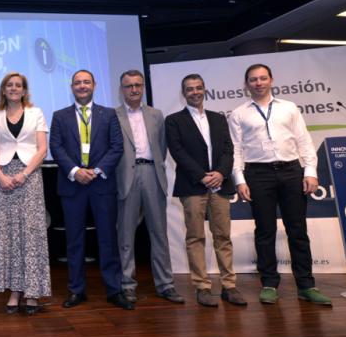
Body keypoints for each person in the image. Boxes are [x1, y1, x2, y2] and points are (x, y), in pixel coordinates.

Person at [229, 63, 332, 306]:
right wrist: (240, 179)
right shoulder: (238, 113)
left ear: (271, 80)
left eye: (263, 78)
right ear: (246, 84)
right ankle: (269, 284)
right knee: (265, 231)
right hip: (258, 174)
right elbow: (235, 150)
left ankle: (306, 285)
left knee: (297, 230)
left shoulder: (290, 108)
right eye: (253, 79)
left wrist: (310, 172)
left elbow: (304, 141)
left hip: (290, 172)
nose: (258, 83)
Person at [50, 69, 133, 311]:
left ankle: (114, 290)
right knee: (74, 241)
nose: (82, 86)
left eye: (86, 82)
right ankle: (76, 290)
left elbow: (117, 147)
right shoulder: (60, 116)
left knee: (107, 238)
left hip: (102, 184)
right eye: (78, 82)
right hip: (72, 185)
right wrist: (76, 171)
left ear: (94, 85)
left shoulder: (108, 114)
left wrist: (95, 171)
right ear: (72, 86)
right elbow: (56, 147)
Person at [165, 73, 247, 307]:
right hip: (192, 186)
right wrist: (202, 176)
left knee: (223, 236)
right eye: (189, 89)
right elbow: (177, 152)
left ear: (205, 90)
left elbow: (228, 150)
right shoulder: (174, 120)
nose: (195, 92)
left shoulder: (219, 118)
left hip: (220, 185)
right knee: (195, 237)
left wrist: (220, 173)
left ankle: (229, 286)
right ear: (184, 93)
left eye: (198, 88)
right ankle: (202, 286)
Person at [115, 70, 184, 304]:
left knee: (159, 233)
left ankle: (165, 285)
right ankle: (127, 285)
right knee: (125, 235)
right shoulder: (113, 116)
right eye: (128, 86)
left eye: (137, 85)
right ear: (121, 89)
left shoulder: (156, 115)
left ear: (143, 87)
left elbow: (162, 147)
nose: (133, 90)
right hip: (126, 176)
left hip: (153, 174)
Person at [0, 72, 51, 315]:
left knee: (31, 235)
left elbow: (42, 149)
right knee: (8, 234)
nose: (13, 89)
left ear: (24, 90)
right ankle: (14, 292)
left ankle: (32, 292)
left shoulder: (37, 113)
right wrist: (1, 176)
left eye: (18, 85)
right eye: (9, 85)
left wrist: (23, 174)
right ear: (4, 90)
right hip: (2, 178)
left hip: (30, 177)